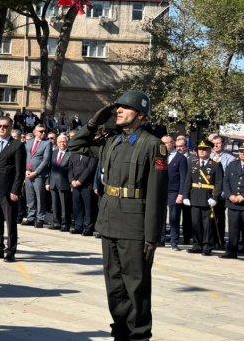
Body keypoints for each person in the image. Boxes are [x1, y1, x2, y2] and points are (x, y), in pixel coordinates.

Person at [67, 90, 168, 341]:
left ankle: (140, 335)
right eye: (118, 107)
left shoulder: (152, 146)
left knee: (136, 286)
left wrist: (152, 236)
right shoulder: (112, 141)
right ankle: (120, 331)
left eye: (126, 108)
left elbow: (157, 194)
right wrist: (93, 123)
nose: (119, 111)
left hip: (135, 225)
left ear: (140, 116)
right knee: (114, 285)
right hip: (109, 220)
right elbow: (76, 144)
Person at [0, 116, 26, 262]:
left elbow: (20, 171)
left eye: (5, 126)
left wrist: (16, 190)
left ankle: (11, 250)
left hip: (8, 191)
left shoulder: (17, 145)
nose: (2, 128)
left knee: (10, 221)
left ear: (10, 127)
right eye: (0, 126)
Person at [186, 140, 223, 255]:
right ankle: (197, 244)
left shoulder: (216, 165)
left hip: (208, 198)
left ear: (209, 150)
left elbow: (219, 183)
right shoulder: (193, 163)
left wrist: (215, 197)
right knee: (195, 222)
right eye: (199, 149)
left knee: (208, 224)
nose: (201, 151)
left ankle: (207, 245)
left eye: (204, 149)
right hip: (195, 197)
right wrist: (185, 195)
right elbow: (188, 181)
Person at [165, 136, 190, 250]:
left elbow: (184, 178)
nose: (163, 145)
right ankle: (160, 239)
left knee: (174, 217)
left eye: (165, 143)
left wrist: (181, 194)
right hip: (162, 191)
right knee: (160, 215)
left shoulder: (181, 158)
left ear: (172, 143)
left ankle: (174, 242)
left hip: (174, 192)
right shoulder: (161, 156)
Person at [23, 125, 51, 227]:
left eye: (45, 131)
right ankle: (31, 217)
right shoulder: (29, 142)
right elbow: (26, 157)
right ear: (35, 132)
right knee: (30, 196)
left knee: (40, 197)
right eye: (41, 131)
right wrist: (25, 170)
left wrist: (36, 172)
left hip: (38, 175)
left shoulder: (47, 143)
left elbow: (45, 160)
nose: (43, 133)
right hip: (27, 173)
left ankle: (40, 219)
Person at [68, 141, 98, 236]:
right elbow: (70, 168)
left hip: (86, 185)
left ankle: (88, 228)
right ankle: (78, 226)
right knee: (77, 206)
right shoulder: (74, 154)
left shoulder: (92, 153)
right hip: (75, 185)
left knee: (88, 207)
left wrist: (80, 181)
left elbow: (90, 168)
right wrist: (72, 180)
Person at [46, 133, 73, 231]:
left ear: (67, 143)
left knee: (65, 205)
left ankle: (65, 224)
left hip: (64, 183)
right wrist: (47, 182)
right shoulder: (53, 153)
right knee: (55, 204)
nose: (62, 143)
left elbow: (71, 170)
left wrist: (71, 183)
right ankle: (56, 223)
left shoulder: (71, 153)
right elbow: (50, 169)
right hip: (53, 183)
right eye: (60, 141)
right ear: (57, 143)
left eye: (64, 141)